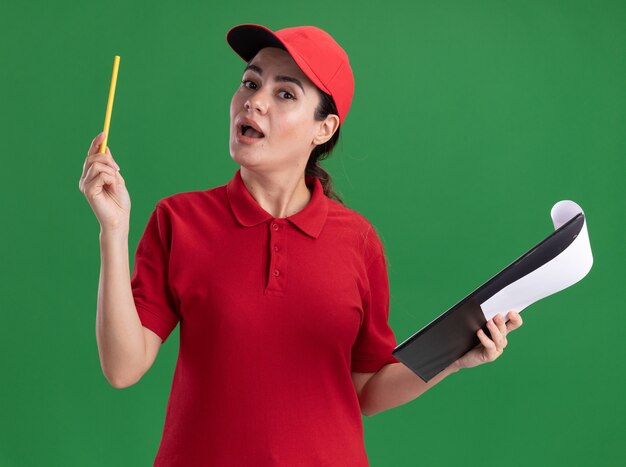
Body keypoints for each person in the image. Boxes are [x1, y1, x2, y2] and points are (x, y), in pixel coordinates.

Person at [79, 23, 523, 466]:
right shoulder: (179, 220)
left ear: (324, 129)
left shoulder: (359, 241)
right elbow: (123, 367)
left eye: (285, 93)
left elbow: (366, 389)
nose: (254, 100)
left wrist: (454, 358)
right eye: (250, 83)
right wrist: (113, 233)